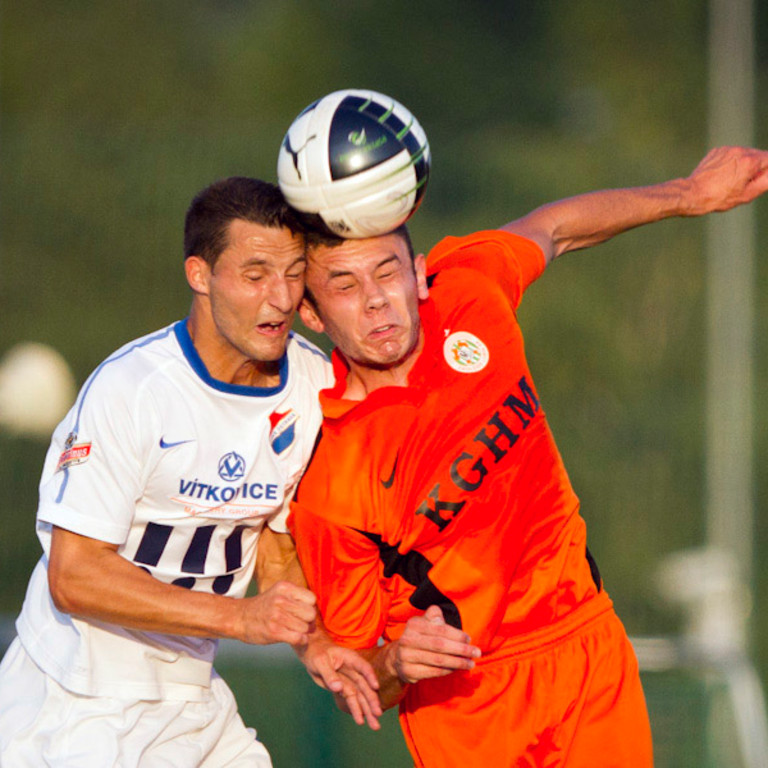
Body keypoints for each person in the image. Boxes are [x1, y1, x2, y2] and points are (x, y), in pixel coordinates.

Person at [288, 146, 768, 766]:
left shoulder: (469, 296)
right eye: (344, 287)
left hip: (588, 651)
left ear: (420, 271)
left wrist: (691, 193)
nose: (376, 300)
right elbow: (358, 682)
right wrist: (397, 662)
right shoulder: (333, 485)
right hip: (472, 706)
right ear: (311, 312)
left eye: (386, 272)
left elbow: (554, 228)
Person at [0, 177, 379, 767]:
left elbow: (274, 544)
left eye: (293, 272)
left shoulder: (312, 382)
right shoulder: (131, 390)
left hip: (192, 703)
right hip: (75, 705)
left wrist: (316, 643)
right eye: (255, 275)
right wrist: (241, 617)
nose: (280, 298)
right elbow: (73, 578)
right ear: (200, 275)